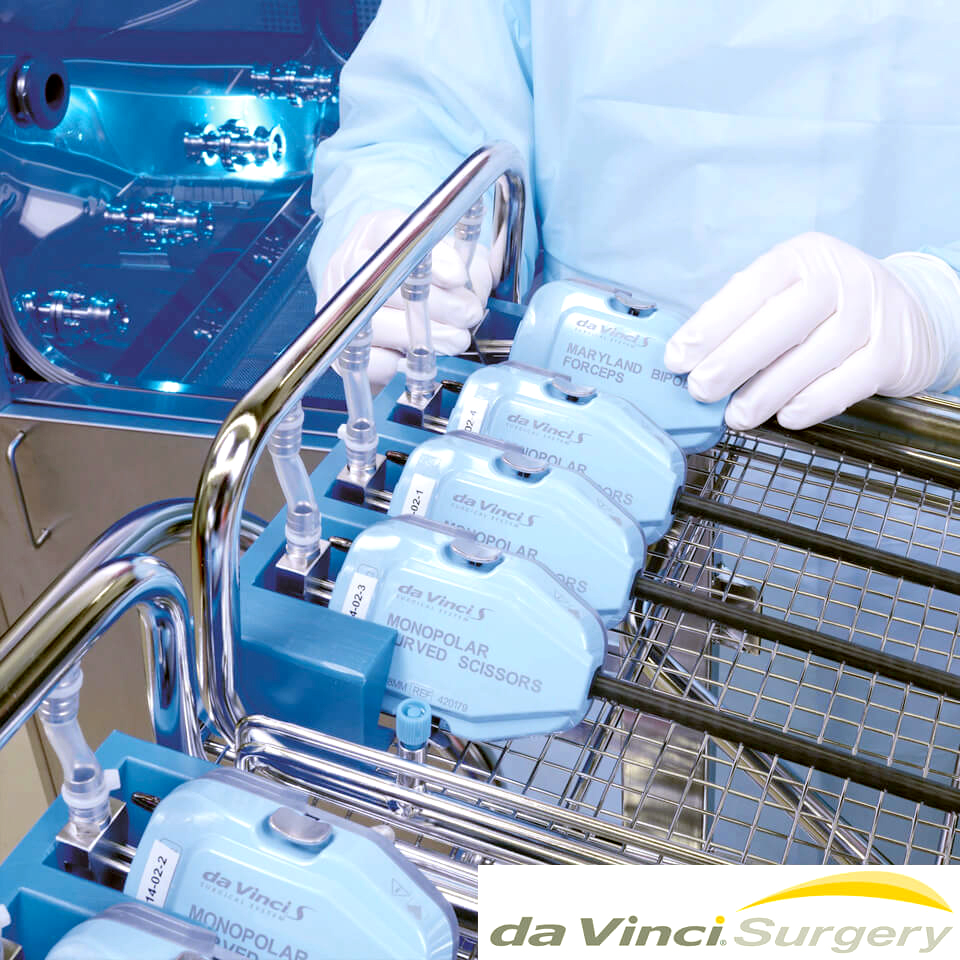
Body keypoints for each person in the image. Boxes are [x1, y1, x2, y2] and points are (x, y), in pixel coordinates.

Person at [308, 0, 960, 428]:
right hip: (568, 426)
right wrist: (405, 222)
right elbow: (426, 111)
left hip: (904, 462)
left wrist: (938, 302)